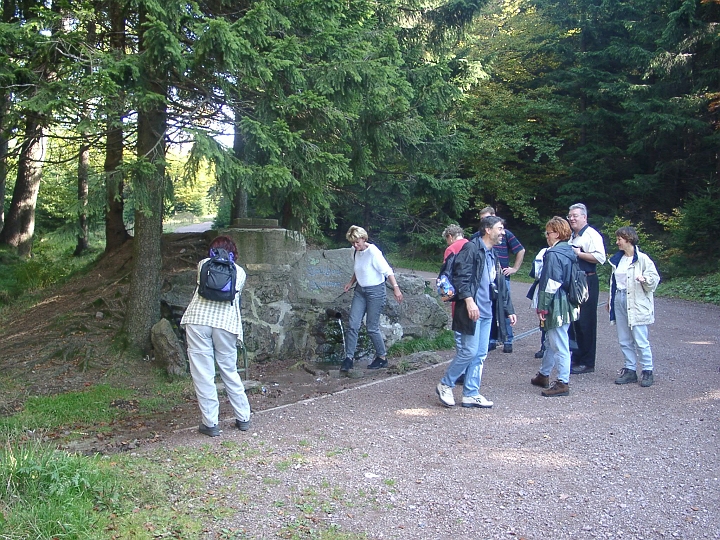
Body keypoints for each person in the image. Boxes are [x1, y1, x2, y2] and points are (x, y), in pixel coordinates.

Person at [436, 216, 517, 409]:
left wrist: (509, 309)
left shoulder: (492, 253)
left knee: (480, 354)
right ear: (488, 230)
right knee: (469, 351)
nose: (503, 232)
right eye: (500, 228)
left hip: (487, 312)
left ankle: (471, 393)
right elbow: (461, 277)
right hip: (471, 310)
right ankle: (445, 384)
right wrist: (470, 302)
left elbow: (499, 285)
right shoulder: (471, 248)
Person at [180, 235, 252, 437]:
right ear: (233, 253)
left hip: (198, 320)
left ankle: (211, 423)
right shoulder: (240, 272)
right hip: (226, 324)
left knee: (203, 374)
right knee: (229, 370)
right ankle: (243, 417)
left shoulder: (203, 264)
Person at [341, 225, 403, 372]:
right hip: (360, 290)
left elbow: (387, 271)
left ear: (363, 239)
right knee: (353, 324)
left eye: (357, 242)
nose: (355, 245)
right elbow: (359, 269)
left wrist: (396, 288)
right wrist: (350, 283)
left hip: (376, 291)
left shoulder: (374, 252)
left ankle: (382, 357)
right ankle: (348, 358)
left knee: (371, 327)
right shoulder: (354, 252)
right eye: (352, 243)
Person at [531, 217, 580, 397]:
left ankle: (563, 382)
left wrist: (542, 307)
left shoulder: (553, 254)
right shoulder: (569, 251)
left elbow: (551, 282)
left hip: (556, 302)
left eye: (549, 232)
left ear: (557, 234)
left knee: (559, 343)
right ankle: (544, 374)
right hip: (567, 300)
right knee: (551, 341)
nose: (547, 236)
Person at [608, 226, 660, 387]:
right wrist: (611, 300)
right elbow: (614, 282)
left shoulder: (643, 259)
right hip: (620, 299)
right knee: (624, 338)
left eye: (619, 239)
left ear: (628, 240)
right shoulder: (618, 259)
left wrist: (645, 279)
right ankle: (630, 369)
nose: (617, 242)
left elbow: (654, 280)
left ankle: (647, 370)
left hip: (636, 301)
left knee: (640, 338)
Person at [477, 207, 525, 353]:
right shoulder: (476, 238)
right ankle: (490, 339)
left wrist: (514, 268)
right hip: (486, 281)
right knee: (488, 309)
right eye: (482, 220)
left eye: (487, 218)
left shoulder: (506, 234)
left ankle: (508, 339)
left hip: (502, 277)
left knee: (505, 308)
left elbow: (520, 250)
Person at [567, 203, 606, 374]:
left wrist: (579, 253)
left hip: (587, 281)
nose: (572, 218)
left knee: (586, 322)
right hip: (574, 282)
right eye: (570, 216)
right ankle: (577, 357)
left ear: (585, 217)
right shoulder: (571, 235)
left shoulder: (592, 235)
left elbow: (600, 257)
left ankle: (588, 362)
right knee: (574, 321)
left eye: (575, 215)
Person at [526, 247, 548, 358]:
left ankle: (545, 347)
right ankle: (545, 347)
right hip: (545, 288)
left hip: (547, 288)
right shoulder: (545, 251)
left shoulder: (545, 252)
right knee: (544, 318)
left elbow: (536, 272)